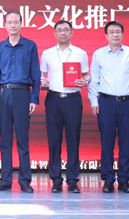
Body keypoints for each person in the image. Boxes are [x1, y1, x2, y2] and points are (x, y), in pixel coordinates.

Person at [88, 20, 129, 193]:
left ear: (122, 34)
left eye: (118, 31)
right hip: (106, 102)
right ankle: (107, 179)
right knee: (107, 142)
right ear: (106, 35)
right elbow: (94, 80)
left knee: (126, 142)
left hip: (128, 102)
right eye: (111, 32)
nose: (115, 35)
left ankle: (124, 180)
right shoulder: (99, 54)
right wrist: (94, 101)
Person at [0, 11, 40, 193]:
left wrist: (34, 97)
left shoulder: (30, 45)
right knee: (5, 140)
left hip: (22, 94)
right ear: (5, 24)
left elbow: (36, 73)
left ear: (21, 24)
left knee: (22, 139)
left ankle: (25, 180)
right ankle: (5, 180)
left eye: (16, 22)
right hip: (3, 94)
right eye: (9, 22)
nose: (13, 25)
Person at [39, 20, 90, 193]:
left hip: (72, 100)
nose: (63, 33)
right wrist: (43, 81)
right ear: (55, 33)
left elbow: (87, 75)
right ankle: (55, 179)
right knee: (54, 140)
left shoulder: (80, 53)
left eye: (66, 30)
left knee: (73, 140)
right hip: (53, 99)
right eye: (59, 30)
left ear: (71, 33)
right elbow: (43, 75)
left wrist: (85, 81)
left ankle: (73, 180)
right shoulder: (47, 53)